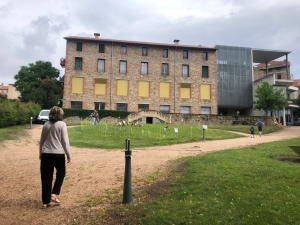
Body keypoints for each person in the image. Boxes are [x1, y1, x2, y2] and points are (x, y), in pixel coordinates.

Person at [39, 106, 71, 209]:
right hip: (58, 154)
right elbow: (65, 142)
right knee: (61, 174)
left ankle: (45, 202)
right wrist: (68, 154)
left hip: (46, 154)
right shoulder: (62, 125)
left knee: (46, 178)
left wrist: (40, 153)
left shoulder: (46, 125)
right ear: (60, 114)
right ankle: (54, 193)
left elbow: (42, 141)